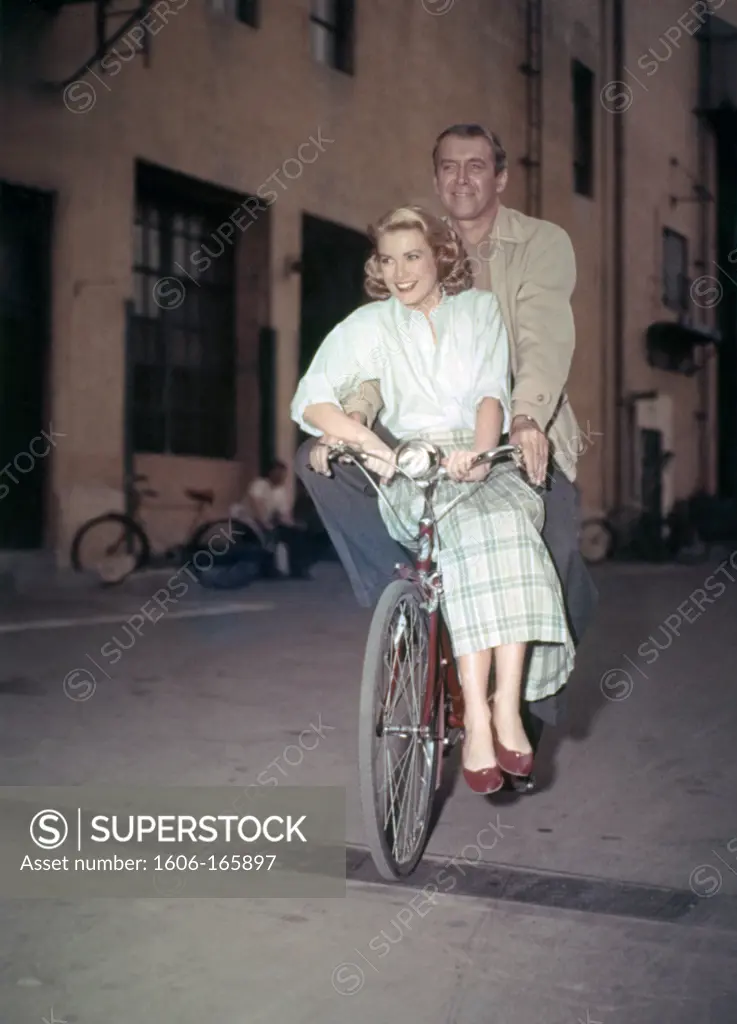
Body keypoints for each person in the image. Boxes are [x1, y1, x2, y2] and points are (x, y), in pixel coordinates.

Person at [295, 124, 598, 789]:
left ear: (500, 176)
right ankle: (406, 611)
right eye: (448, 169)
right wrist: (356, 425)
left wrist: (521, 421)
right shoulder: (400, 272)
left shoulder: (535, 248)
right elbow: (368, 368)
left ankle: (519, 703)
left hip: (524, 427)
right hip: (420, 449)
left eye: (476, 167)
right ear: (435, 180)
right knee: (316, 465)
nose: (462, 180)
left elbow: (541, 343)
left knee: (559, 550)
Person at [246, 460, 313, 580]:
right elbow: (256, 505)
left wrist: (292, 525)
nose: (282, 476)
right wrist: (265, 523)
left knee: (296, 534)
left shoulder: (280, 491)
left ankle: (298, 569)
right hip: (250, 522)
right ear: (271, 473)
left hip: (270, 523)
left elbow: (283, 514)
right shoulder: (260, 484)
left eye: (283, 474)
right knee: (270, 534)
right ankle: (267, 570)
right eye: (279, 473)